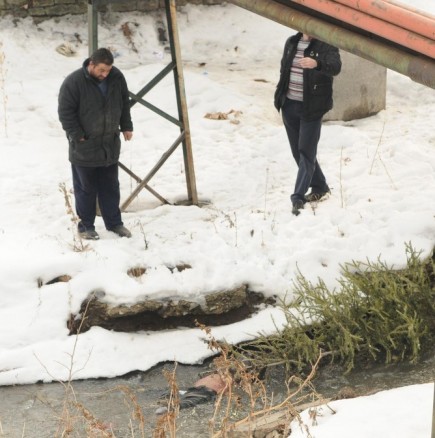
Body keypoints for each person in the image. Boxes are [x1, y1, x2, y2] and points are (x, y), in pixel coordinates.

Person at [58, 48, 133, 240]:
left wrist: (126, 126)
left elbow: (124, 102)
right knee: (86, 188)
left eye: (108, 70)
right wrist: (77, 135)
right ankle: (86, 227)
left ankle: (115, 224)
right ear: (91, 64)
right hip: (84, 147)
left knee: (110, 187)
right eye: (101, 70)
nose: (104, 74)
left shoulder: (116, 77)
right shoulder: (74, 82)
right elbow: (66, 112)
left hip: (109, 144)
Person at [274, 33, 341, 216]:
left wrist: (316, 64)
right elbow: (284, 70)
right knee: (298, 151)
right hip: (289, 105)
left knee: (306, 151)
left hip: (312, 107)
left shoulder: (326, 44)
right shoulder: (291, 42)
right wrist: (281, 97)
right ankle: (320, 186)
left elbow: (336, 67)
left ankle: (298, 196)